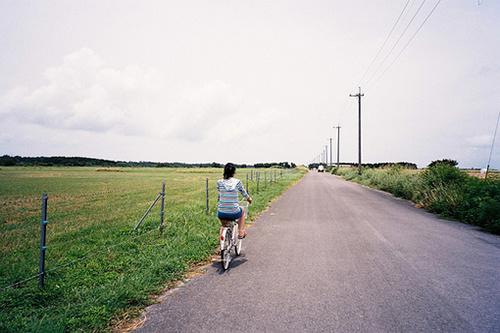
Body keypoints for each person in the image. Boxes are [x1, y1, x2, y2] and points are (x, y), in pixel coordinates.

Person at [217, 163, 252, 239]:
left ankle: (223, 243)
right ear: (234, 172)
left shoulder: (219, 182)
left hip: (221, 213)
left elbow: (219, 195)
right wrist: (249, 199)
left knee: (224, 225)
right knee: (242, 211)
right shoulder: (237, 182)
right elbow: (243, 193)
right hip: (234, 212)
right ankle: (241, 232)